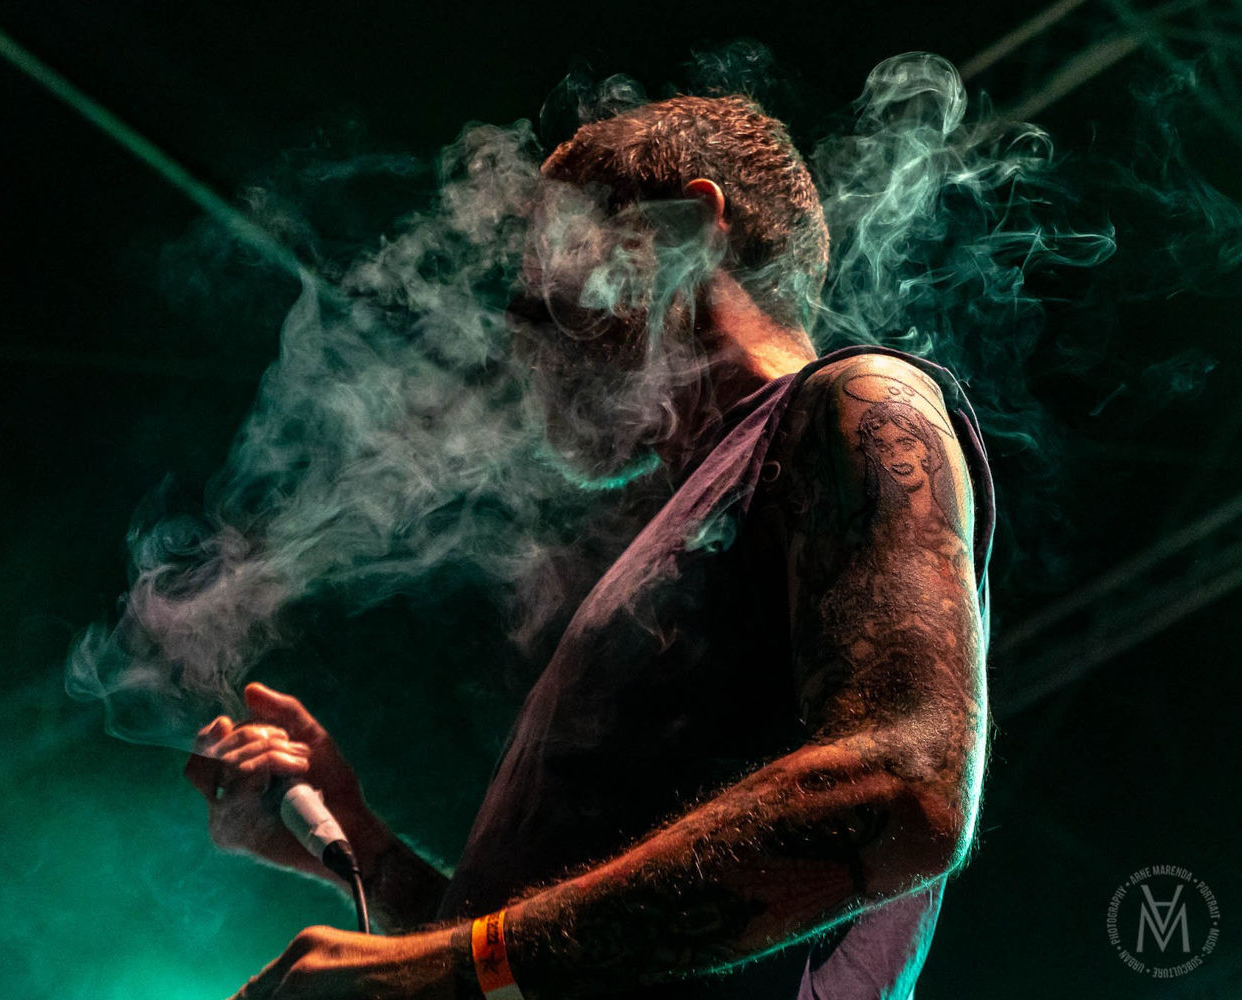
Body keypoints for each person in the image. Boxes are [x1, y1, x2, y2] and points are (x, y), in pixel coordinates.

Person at [183, 94, 993, 1000]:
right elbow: (516, 967)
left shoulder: (860, 401)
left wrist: (458, 968)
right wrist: (363, 848)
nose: (523, 331)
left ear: (684, 231)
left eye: (546, 285)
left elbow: (905, 789)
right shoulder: (684, 523)